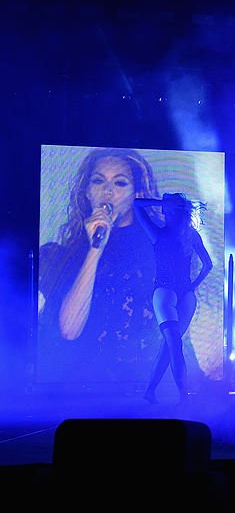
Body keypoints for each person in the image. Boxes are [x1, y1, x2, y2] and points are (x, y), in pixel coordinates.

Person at [38, 148, 161, 383]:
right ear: (87, 192)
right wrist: (96, 249)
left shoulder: (155, 250)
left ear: (136, 194)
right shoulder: (66, 256)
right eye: (99, 181)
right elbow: (69, 330)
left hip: (143, 389)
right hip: (84, 388)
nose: (108, 191)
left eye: (120, 183)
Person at [133, 192, 213, 403]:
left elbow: (137, 205)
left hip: (167, 292)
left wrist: (164, 203)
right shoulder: (189, 234)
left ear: (170, 210)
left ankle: (157, 393)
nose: (162, 209)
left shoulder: (159, 234)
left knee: (172, 345)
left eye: (166, 207)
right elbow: (208, 265)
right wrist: (192, 286)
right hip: (182, 294)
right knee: (173, 344)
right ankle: (177, 395)